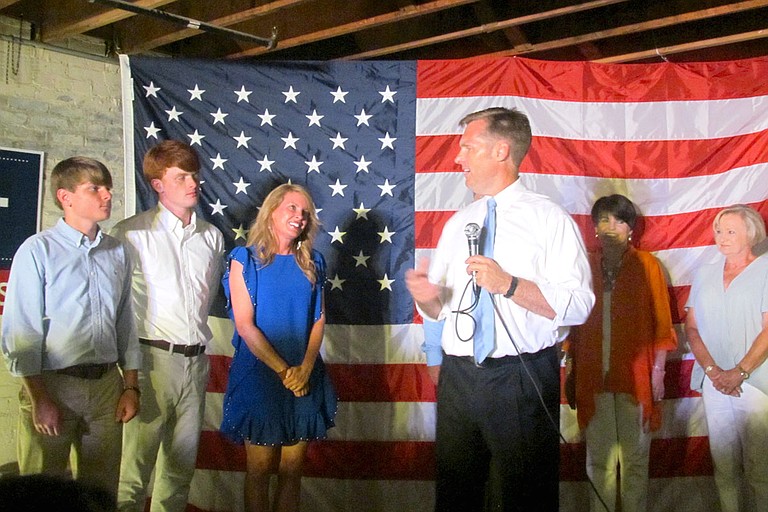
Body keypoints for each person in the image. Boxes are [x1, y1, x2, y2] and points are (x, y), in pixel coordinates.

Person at [405, 107, 594, 511]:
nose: (458, 159)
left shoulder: (549, 220)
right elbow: (441, 309)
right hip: (459, 378)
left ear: (501, 151)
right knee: (456, 495)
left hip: (520, 378)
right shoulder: (459, 223)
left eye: (467, 148)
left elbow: (579, 304)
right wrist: (426, 296)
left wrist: (508, 284)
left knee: (527, 496)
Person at [0, 157, 140, 497]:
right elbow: (22, 330)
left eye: (108, 188)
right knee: (42, 490)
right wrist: (39, 397)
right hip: (54, 384)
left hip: (107, 385)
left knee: (100, 490)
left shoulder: (117, 251)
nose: (107, 195)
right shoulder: (38, 251)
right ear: (66, 197)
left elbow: (125, 320)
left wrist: (131, 385)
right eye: (95, 188)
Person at [112, 140, 225, 512]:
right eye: (181, 177)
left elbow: (205, 300)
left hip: (195, 361)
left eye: (194, 175)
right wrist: (129, 374)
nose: (192, 183)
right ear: (158, 184)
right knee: (134, 469)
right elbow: (119, 305)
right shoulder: (131, 233)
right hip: (151, 359)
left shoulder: (211, 237)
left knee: (179, 468)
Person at [220, 183, 337, 512]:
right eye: (291, 208)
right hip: (261, 377)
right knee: (258, 472)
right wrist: (285, 371)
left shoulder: (313, 261)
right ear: (271, 212)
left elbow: (319, 318)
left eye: (304, 212)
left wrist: (305, 368)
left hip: (304, 377)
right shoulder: (244, 259)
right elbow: (245, 325)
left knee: (292, 472)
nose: (299, 217)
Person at [567, 194, 676, 512]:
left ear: (631, 228)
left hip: (636, 377)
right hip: (593, 378)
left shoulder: (648, 265)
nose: (611, 226)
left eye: (619, 219)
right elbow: (572, 324)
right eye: (604, 219)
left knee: (634, 460)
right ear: (595, 228)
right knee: (598, 461)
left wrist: (657, 372)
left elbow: (662, 323)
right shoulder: (583, 266)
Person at [685, 204, 768, 512]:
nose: (722, 237)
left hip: (756, 383)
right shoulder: (704, 274)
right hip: (715, 383)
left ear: (751, 233)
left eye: (730, 231)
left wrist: (739, 372)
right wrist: (713, 371)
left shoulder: (766, 269)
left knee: (760, 469)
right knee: (723, 465)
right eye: (718, 231)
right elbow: (691, 328)